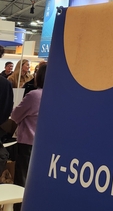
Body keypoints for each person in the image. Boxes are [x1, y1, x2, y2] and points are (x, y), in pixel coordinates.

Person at [11, 62, 47, 210]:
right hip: (45, 145)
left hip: (28, 142)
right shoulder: (57, 96)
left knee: (22, 179)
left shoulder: (34, 95)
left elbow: (15, 115)